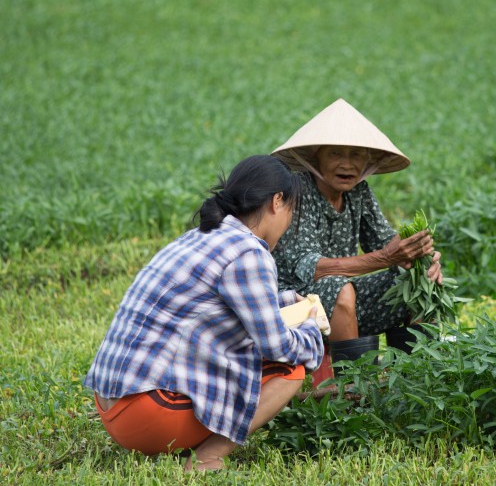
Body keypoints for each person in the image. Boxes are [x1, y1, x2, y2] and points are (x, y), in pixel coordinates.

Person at [84, 155, 325, 472]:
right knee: (290, 368)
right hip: (150, 415)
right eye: (292, 211)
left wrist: (288, 300)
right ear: (277, 201)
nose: (289, 223)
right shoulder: (250, 252)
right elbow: (276, 346)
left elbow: (226, 305)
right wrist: (311, 330)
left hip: (112, 408)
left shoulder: (200, 235)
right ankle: (206, 458)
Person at [271, 98, 443, 371]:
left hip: (340, 302)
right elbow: (311, 270)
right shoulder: (299, 190)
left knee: (414, 278)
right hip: (291, 308)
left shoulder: (358, 192)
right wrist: (387, 257)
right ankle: (356, 390)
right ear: (317, 156)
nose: (347, 164)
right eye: (335, 154)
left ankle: (416, 376)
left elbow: (386, 241)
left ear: (368, 161)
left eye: (356, 155)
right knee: (340, 289)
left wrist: (421, 258)